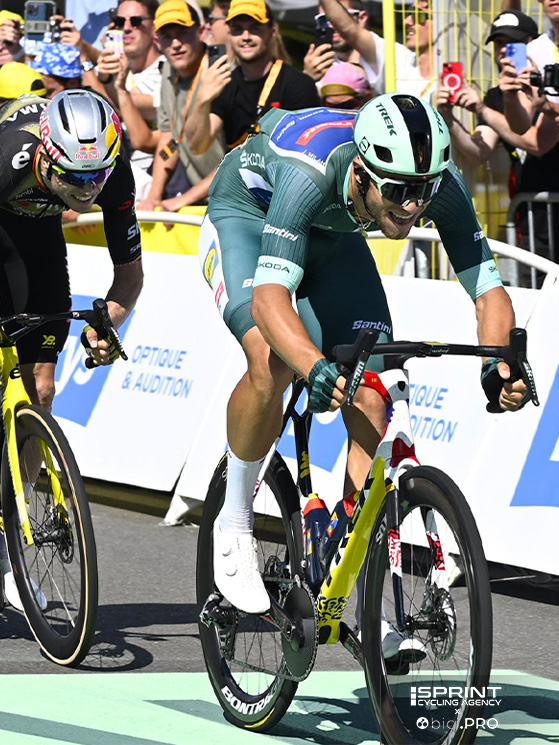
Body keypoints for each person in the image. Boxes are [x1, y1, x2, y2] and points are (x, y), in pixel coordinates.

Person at [198, 95, 528, 654]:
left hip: (336, 233)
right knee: (271, 360)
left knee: (374, 398)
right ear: (360, 171)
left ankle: (356, 587)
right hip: (250, 216)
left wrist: (497, 364)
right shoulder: (310, 173)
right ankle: (233, 522)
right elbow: (269, 302)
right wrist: (313, 366)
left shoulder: (433, 183)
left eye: (422, 192)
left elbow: (488, 291)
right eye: (398, 191)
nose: (412, 206)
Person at [0, 89, 143, 610]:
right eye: (75, 178)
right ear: (45, 153)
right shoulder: (10, 159)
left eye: (96, 177)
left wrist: (108, 325)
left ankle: (9, 552)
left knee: (39, 389)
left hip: (38, 239)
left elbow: (129, 277)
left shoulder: (111, 173)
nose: (88, 191)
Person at [437, 9, 558, 287]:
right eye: (498, 43)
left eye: (513, 43)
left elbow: (536, 144)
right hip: (530, 221)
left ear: (531, 45)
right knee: (536, 295)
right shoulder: (495, 97)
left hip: (549, 208)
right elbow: (477, 152)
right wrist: (448, 117)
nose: (504, 50)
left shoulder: (548, 86)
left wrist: (482, 109)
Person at [185, 0, 321, 156]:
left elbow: (308, 151)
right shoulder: (226, 83)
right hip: (238, 171)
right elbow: (197, 146)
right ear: (230, 35)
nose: (246, 36)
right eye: (237, 29)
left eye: (255, 28)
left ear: (272, 33)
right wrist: (202, 99)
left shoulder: (299, 85)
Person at [138, 0, 225, 212]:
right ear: (157, 41)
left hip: (230, 200)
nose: (175, 43)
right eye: (167, 36)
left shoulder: (222, 71)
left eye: (183, 33)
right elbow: (169, 139)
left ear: (201, 32)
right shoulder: (169, 70)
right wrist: (154, 197)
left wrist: (184, 199)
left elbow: (238, 155)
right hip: (195, 198)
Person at [96, 0, 165, 201]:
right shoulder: (110, 70)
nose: (126, 28)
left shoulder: (168, 68)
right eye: (120, 21)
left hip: (147, 187)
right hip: (110, 179)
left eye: (136, 21)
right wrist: (103, 75)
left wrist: (108, 81)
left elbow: (147, 107)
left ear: (154, 26)